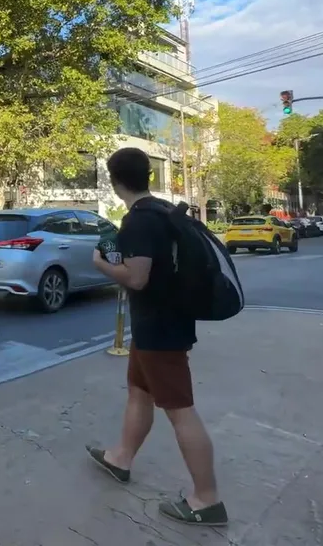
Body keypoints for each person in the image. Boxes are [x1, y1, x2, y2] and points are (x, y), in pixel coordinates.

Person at [85, 147, 228, 527]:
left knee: (180, 410)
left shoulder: (140, 221)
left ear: (114, 181)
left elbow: (137, 278)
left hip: (159, 329)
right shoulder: (162, 211)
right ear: (147, 175)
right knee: (139, 392)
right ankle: (121, 458)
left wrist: (100, 264)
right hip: (159, 325)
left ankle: (206, 500)